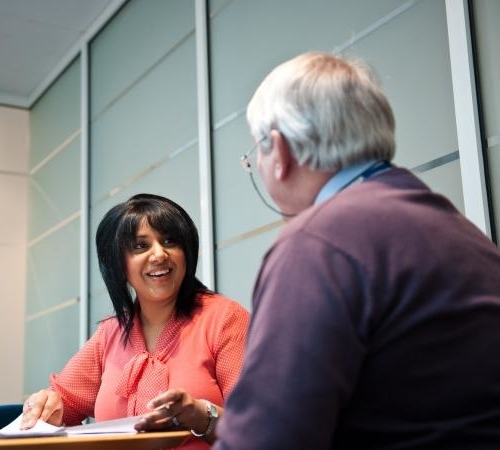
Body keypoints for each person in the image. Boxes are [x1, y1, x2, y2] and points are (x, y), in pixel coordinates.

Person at [214, 51, 500, 449]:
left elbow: (266, 439)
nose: (259, 168)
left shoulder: (316, 243)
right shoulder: (458, 230)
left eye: (256, 154)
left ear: (278, 152)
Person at [21, 193, 250, 449]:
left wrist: (202, 416)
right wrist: (43, 405)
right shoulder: (110, 333)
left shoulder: (225, 319)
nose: (159, 254)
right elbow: (65, 404)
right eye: (141, 246)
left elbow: (259, 427)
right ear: (118, 263)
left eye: (170, 241)